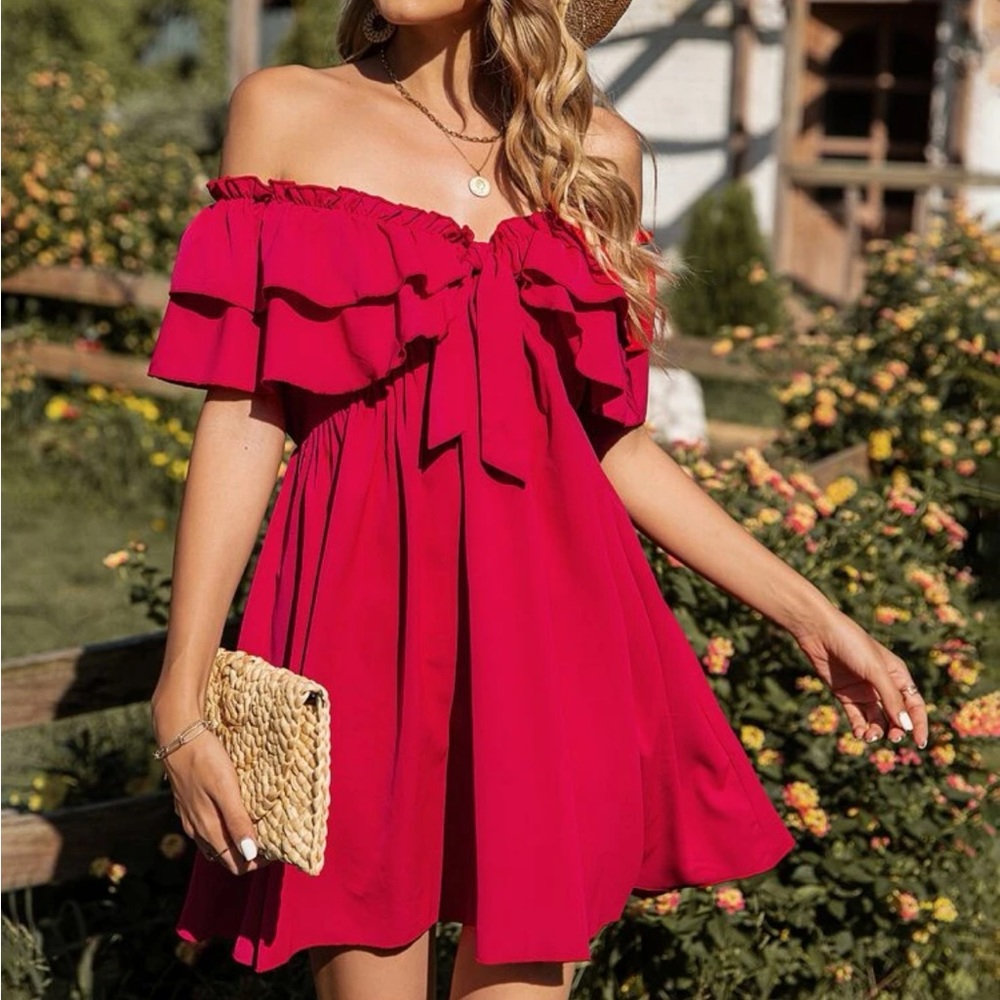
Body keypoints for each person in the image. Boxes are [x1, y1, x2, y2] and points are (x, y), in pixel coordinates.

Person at [146, 2, 930, 999]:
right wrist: (182, 689)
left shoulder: (598, 151)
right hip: (355, 624)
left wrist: (816, 620)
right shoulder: (287, 110)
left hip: (556, 633)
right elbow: (242, 414)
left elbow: (615, 444)